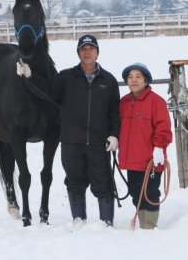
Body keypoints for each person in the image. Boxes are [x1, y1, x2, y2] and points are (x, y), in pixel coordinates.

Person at [16, 34, 120, 227]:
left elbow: (115, 113)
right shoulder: (66, 77)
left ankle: (106, 223)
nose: (87, 53)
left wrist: (114, 135)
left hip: (99, 143)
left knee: (103, 184)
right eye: (83, 49)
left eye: (91, 49)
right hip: (72, 142)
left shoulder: (110, 81)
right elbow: (46, 90)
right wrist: (30, 76)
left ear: (97, 52)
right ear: (78, 53)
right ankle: (79, 221)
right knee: (74, 183)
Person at [118, 62, 172, 229]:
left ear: (146, 80)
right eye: (130, 77)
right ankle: (143, 223)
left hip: (151, 160)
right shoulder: (124, 102)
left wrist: (159, 148)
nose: (134, 80)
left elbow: (163, 128)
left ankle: (149, 225)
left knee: (150, 193)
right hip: (132, 160)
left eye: (138, 76)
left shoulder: (157, 102)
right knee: (136, 193)